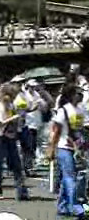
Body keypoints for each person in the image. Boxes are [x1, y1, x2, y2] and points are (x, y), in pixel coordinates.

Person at [47, 85, 85, 218]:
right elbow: (56, 131)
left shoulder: (81, 109)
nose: (81, 95)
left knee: (66, 178)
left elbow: (84, 129)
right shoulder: (64, 110)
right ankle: (75, 206)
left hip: (77, 149)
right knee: (70, 178)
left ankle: (62, 207)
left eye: (82, 93)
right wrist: (51, 149)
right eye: (78, 93)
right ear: (71, 95)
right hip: (64, 147)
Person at [0, 84, 29, 200]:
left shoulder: (12, 106)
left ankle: (21, 190)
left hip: (11, 138)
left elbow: (16, 123)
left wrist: (19, 123)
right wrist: (13, 118)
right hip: (0, 138)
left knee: (17, 165)